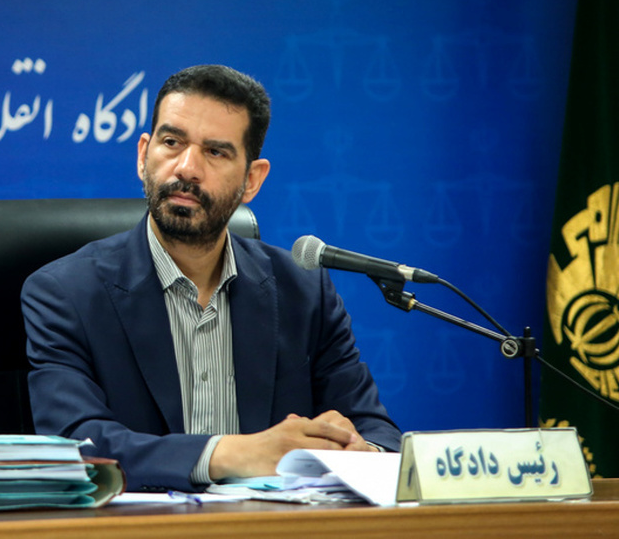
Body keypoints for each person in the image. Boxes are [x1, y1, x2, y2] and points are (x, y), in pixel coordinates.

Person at [21, 64, 400, 491]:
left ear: (252, 180)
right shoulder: (65, 294)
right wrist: (236, 453)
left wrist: (362, 453)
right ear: (143, 156)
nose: (187, 168)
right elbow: (75, 443)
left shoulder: (304, 291)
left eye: (216, 152)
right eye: (171, 142)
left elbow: (377, 431)